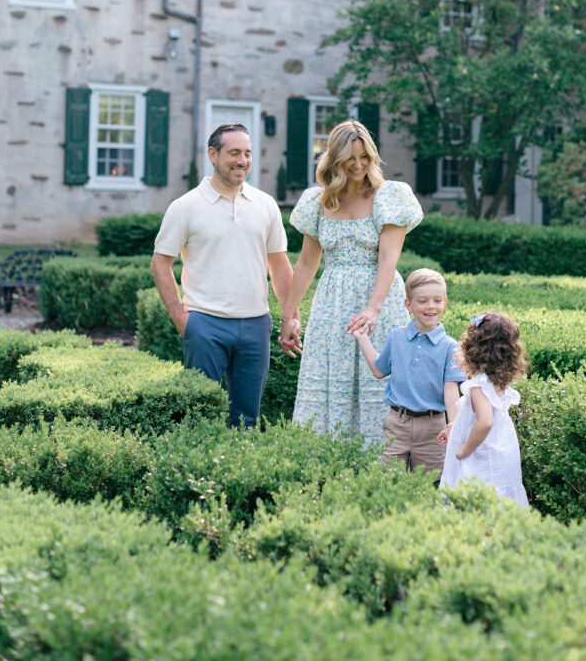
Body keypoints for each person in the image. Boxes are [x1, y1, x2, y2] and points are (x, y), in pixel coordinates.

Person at [280, 119, 423, 445]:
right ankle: (328, 462)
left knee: (378, 380)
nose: (358, 165)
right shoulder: (320, 201)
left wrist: (373, 310)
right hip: (332, 304)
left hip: (380, 301)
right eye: (350, 158)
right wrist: (289, 316)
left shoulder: (390, 197)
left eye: (365, 157)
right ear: (335, 159)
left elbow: (388, 259)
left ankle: (384, 464)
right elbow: (305, 263)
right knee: (332, 383)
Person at [150, 123, 301, 428]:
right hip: (205, 324)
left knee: (246, 419)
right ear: (213, 154)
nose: (242, 161)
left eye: (247, 153)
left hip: (256, 325)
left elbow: (280, 264)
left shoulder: (266, 205)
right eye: (234, 153)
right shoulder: (185, 207)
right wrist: (183, 320)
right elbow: (160, 263)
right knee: (199, 416)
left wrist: (290, 317)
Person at [352, 268, 465, 474]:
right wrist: (362, 338)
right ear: (408, 305)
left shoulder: (451, 347)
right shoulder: (396, 337)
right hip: (397, 424)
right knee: (388, 481)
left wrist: (454, 425)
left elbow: (451, 391)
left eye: (437, 301)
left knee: (429, 484)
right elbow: (379, 370)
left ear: (445, 303)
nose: (431, 306)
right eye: (422, 301)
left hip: (433, 427)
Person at [438, 310, 529, 506]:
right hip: (502, 449)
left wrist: (465, 448)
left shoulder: (479, 385)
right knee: (500, 497)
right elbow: (475, 417)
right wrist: (455, 428)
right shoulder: (497, 381)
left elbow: (485, 422)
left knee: (478, 497)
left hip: (481, 452)